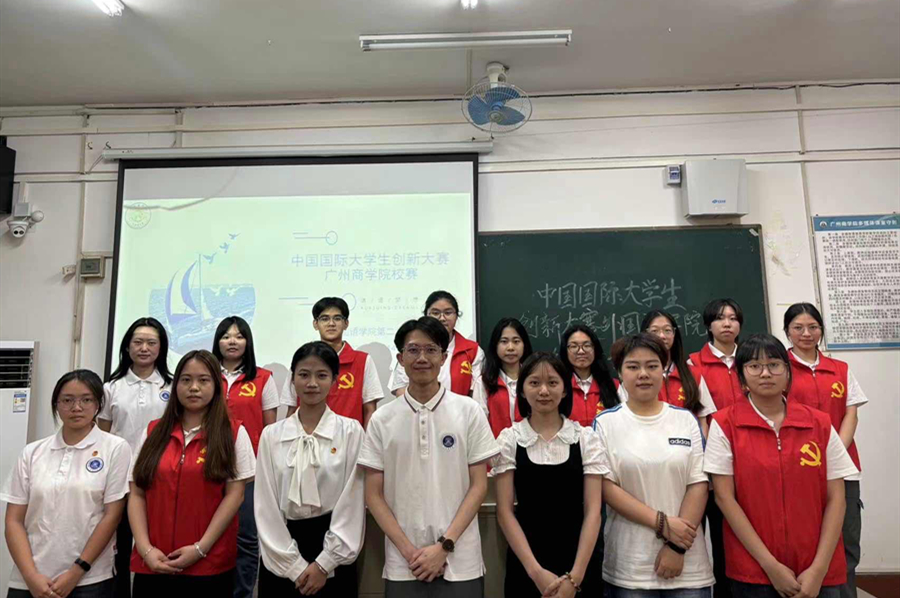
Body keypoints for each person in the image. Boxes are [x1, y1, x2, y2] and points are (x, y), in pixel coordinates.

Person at [704, 334, 858, 598]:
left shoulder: (819, 423)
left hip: (818, 571)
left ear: (788, 373)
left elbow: (837, 499)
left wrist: (818, 569)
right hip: (754, 570)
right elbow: (724, 498)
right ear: (741, 377)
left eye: (774, 365)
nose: (765, 373)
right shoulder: (724, 424)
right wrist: (770, 566)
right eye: (754, 366)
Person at [359, 317, 499, 598]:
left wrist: (444, 546)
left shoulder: (468, 411)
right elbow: (373, 495)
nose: (422, 358)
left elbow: (479, 485)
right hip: (404, 564)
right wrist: (409, 552)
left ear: (443, 357)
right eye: (413, 350)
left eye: (431, 350)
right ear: (400, 359)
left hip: (461, 562)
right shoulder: (382, 419)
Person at [594, 334, 714, 598]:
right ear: (620, 373)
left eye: (652, 366)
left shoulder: (686, 420)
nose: (643, 374)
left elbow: (698, 484)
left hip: (688, 566)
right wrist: (662, 523)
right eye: (633, 366)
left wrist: (677, 547)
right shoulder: (605, 423)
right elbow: (606, 487)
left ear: (664, 370)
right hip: (630, 568)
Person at [127, 350, 256, 597]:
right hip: (153, 564)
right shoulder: (153, 432)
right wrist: (145, 550)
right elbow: (137, 493)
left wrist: (200, 549)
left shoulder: (233, 433)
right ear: (176, 385)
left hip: (209, 567)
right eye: (186, 380)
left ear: (216, 386)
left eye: (203, 380)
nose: (194, 387)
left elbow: (235, 496)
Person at [2, 370, 131, 598]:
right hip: (30, 580)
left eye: (86, 400)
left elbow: (112, 516)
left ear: (98, 404)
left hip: (89, 578)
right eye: (67, 400)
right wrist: (31, 576)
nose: (76, 407)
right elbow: (13, 521)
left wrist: (76, 572)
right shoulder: (33, 452)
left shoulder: (115, 448)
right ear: (56, 405)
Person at [255, 342, 366, 597]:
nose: (312, 383)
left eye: (322, 375)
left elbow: (353, 502)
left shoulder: (350, 432)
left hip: (335, 551)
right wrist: (294, 567)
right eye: (304, 375)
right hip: (281, 551)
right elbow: (265, 505)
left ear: (335, 381)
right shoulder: (272, 435)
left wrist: (325, 563)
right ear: (292, 379)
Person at [493, 352, 604, 598]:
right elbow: (504, 512)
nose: (544, 391)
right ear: (522, 390)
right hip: (527, 565)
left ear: (564, 390)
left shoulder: (585, 438)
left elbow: (593, 512)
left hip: (580, 563)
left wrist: (575, 578)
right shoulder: (510, 439)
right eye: (534, 383)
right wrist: (536, 573)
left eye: (552, 383)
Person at [783, 303, 867, 598]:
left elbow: (851, 413)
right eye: (798, 327)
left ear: (821, 330)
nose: (806, 333)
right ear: (787, 332)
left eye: (813, 327)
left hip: (842, 468)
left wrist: (834, 453)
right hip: (798, 468)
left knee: (847, 542)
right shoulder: (779, 368)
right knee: (804, 541)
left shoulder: (840, 369)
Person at [97, 317, 172, 598]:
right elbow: (103, 435)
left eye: (151, 342)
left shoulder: (171, 386)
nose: (144, 348)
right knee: (118, 543)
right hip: (119, 477)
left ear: (161, 348)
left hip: (159, 476)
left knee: (154, 542)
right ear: (127, 347)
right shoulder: (111, 388)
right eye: (138, 342)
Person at [211, 316, 278, 598]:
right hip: (208, 466)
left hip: (249, 472)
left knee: (247, 538)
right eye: (226, 336)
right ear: (217, 341)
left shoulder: (263, 378)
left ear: (248, 342)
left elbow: (271, 430)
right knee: (208, 534)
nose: (232, 341)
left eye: (239, 336)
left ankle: (242, 593)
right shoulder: (205, 375)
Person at [688, 298, 745, 598]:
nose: (727, 324)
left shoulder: (752, 359)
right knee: (711, 538)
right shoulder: (693, 365)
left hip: (750, 462)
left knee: (742, 539)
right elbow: (698, 418)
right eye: (720, 318)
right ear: (708, 325)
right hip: (712, 465)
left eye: (733, 318)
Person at [281, 297, 383, 428]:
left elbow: (369, 409)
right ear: (315, 324)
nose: (331, 323)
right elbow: (292, 407)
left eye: (337, 318)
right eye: (324, 318)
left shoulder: (363, 361)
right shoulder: (302, 360)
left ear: (346, 323)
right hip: (307, 436)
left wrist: (365, 439)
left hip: (348, 436)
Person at [388, 291, 484, 398]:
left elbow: (477, 393)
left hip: (459, 408)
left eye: (448, 313)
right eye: (435, 313)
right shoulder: (411, 348)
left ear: (457, 316)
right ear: (426, 315)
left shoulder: (472, 350)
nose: (442, 318)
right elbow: (401, 391)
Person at [637, 310, 717, 437]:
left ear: (674, 334)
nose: (662, 336)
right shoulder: (636, 376)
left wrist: (701, 447)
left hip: (688, 446)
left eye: (667, 330)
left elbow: (703, 421)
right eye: (654, 331)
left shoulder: (693, 374)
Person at [472, 317, 534, 437]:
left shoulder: (534, 380)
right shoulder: (484, 382)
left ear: (524, 345)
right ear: (495, 345)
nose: (510, 347)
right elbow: (479, 424)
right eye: (504, 342)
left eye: (516, 341)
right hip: (496, 446)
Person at [558, 324, 619, 427]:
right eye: (574, 346)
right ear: (565, 351)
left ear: (595, 349)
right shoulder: (559, 387)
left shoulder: (614, 386)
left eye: (587, 346)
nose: (581, 351)